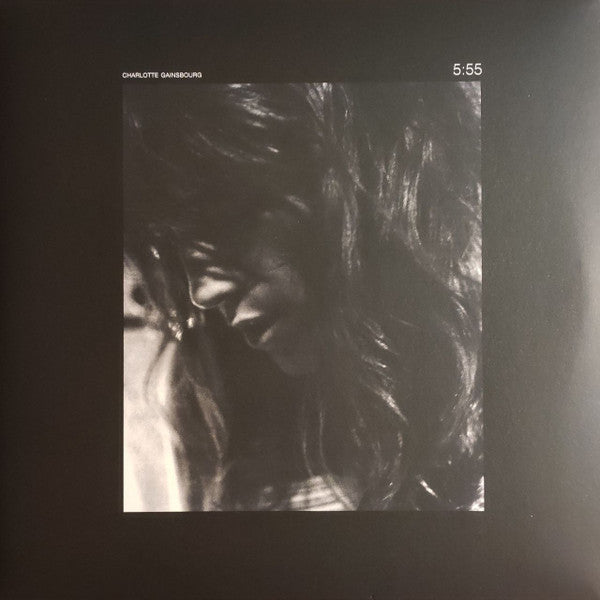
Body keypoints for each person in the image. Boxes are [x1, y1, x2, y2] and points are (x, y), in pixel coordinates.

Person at [123, 82, 482, 511]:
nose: (202, 293)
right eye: (179, 248)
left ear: (346, 176)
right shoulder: (209, 396)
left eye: (226, 220)